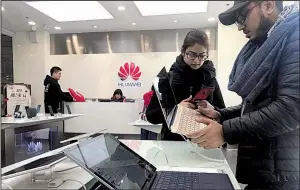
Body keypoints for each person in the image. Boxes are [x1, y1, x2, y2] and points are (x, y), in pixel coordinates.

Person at [187, 1, 299, 190]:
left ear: (268, 5)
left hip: (281, 176)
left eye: (242, 17)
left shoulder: (295, 37)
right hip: (265, 169)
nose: (240, 27)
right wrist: (221, 115)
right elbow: (257, 105)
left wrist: (225, 131)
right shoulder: (271, 42)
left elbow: (291, 108)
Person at [146, 29, 226, 141]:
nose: (197, 61)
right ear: (183, 51)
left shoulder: (210, 78)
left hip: (204, 142)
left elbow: (223, 111)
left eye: (202, 56)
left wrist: (212, 109)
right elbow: (151, 116)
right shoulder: (168, 78)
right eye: (192, 55)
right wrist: (176, 110)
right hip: (174, 142)